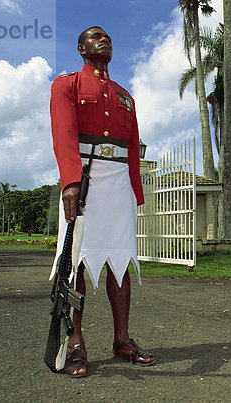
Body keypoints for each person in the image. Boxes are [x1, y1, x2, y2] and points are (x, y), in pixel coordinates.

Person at [49, 26, 154, 377]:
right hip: (86, 178)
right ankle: (75, 341)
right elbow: (64, 135)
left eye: (107, 36)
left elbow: (134, 148)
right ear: (81, 47)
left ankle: (122, 339)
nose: (103, 39)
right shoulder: (67, 85)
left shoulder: (126, 97)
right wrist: (71, 183)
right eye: (95, 36)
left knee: (121, 262)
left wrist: (135, 192)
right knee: (76, 259)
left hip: (119, 182)